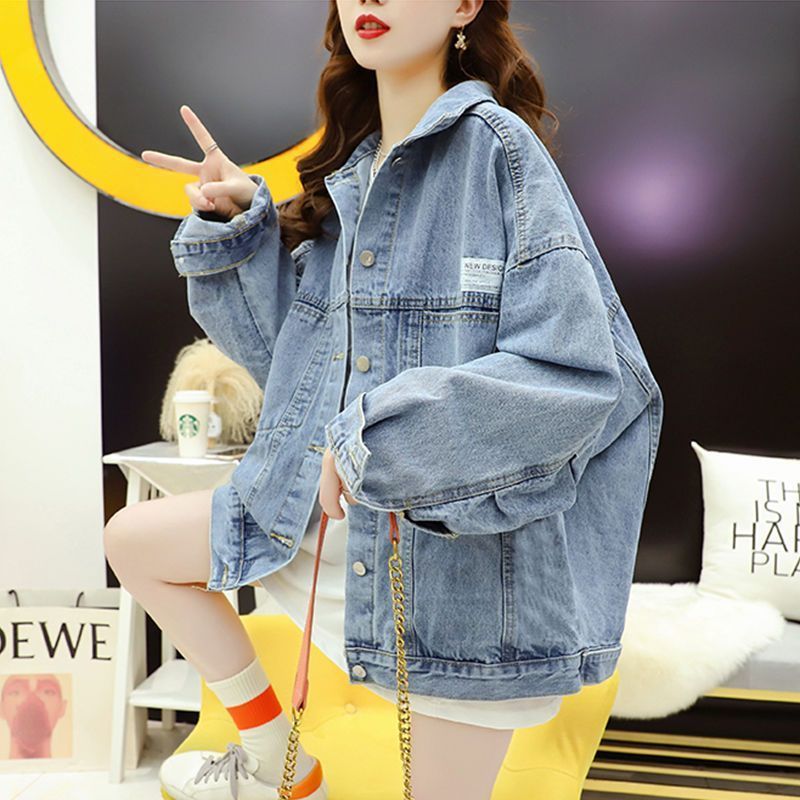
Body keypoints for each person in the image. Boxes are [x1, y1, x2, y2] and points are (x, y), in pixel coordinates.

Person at [106, 1, 663, 798]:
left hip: (454, 569)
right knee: (136, 541)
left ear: (465, 6)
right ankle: (276, 761)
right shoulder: (356, 175)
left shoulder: (499, 153)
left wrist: (381, 439)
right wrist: (239, 228)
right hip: (328, 528)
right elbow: (289, 359)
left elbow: (574, 377)